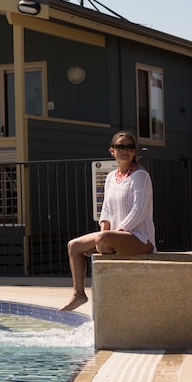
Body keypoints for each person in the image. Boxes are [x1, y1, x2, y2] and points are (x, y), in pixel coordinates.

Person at [61, 131, 156, 311]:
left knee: (103, 240)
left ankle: (104, 246)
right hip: (115, 236)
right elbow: (105, 210)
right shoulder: (111, 177)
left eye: (129, 147)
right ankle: (78, 294)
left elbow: (139, 210)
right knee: (73, 246)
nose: (125, 151)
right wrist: (104, 231)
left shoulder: (141, 176)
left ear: (134, 152)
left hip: (140, 238)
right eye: (120, 147)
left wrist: (113, 235)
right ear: (112, 151)